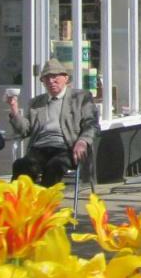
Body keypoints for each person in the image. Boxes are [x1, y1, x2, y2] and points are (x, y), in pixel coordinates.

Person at [7, 58, 99, 187]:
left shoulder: (80, 98)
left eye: (55, 76)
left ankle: (45, 202)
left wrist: (83, 141)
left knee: (54, 166)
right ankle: (19, 203)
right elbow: (25, 130)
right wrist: (14, 110)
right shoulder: (36, 102)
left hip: (68, 147)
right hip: (40, 148)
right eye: (46, 78)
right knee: (21, 165)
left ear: (65, 78)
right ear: (43, 82)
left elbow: (92, 124)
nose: (51, 81)